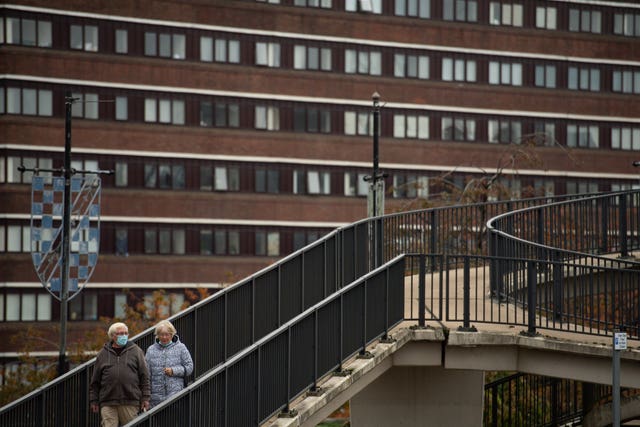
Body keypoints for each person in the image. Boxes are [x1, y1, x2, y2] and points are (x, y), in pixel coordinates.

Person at [89, 322, 150, 427]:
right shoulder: (102, 354)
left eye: (126, 333)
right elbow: (95, 381)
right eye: (120, 333)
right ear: (112, 336)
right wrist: (94, 400)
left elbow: (144, 376)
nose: (124, 336)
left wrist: (145, 397)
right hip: (108, 401)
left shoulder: (136, 351)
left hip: (130, 400)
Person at [145, 320, 194, 408]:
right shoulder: (151, 350)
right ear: (157, 335)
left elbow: (190, 367)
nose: (164, 337)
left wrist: (173, 371)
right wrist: (146, 396)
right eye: (161, 334)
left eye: (167, 334)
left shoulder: (181, 347)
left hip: (175, 396)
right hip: (155, 399)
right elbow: (146, 375)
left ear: (172, 334)